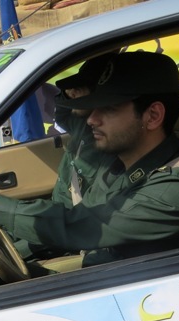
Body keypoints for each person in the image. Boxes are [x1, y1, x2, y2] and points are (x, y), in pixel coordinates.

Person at [0, 52, 179, 267]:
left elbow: (76, 226)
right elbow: (75, 219)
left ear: (152, 116)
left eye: (109, 109)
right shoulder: (118, 166)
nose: (92, 119)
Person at [52, 52, 117, 208]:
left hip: (71, 214)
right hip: (58, 205)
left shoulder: (114, 141)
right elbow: (62, 115)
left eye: (79, 87)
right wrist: (68, 95)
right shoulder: (80, 122)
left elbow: (92, 210)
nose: (72, 92)